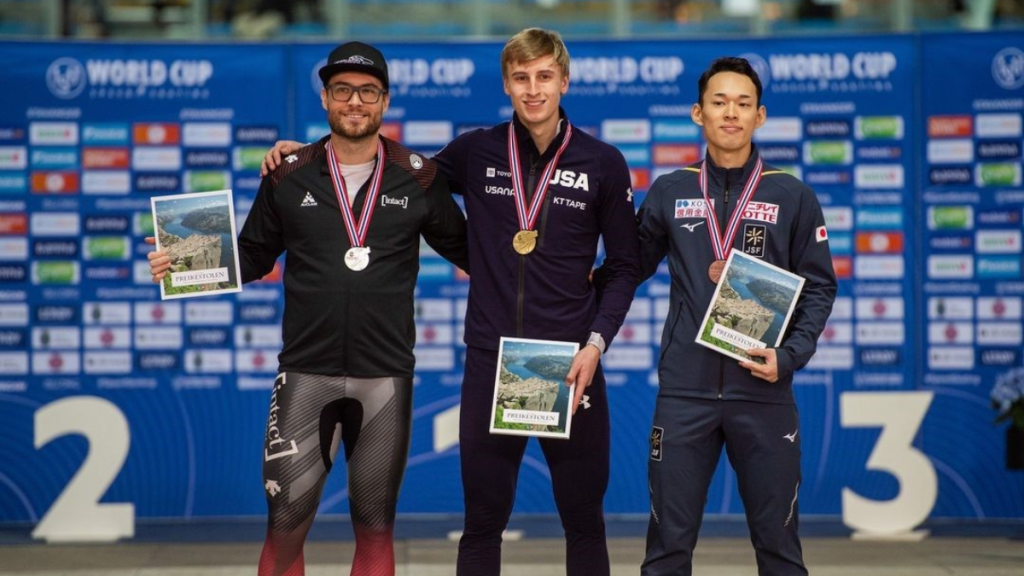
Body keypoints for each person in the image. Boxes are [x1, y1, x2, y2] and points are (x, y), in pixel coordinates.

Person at [261, 27, 640, 576]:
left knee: (583, 520)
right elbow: (391, 170)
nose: (533, 89)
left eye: (543, 77)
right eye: (520, 78)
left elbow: (625, 266)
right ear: (507, 85)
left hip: (571, 364)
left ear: (564, 81)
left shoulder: (603, 163)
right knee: (483, 522)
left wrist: (595, 341)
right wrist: (310, 154)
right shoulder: (477, 151)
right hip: (491, 359)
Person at [148, 41, 468, 576]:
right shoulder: (288, 173)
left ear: (385, 101)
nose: (355, 102)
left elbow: (474, 255)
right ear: (325, 98)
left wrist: (560, 280)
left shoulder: (419, 177)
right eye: (343, 90)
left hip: (385, 377)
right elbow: (252, 255)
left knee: (375, 530)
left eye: (367, 92)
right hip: (305, 374)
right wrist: (181, 260)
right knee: (285, 529)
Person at [635, 56, 837, 576]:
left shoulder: (792, 194)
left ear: (760, 116)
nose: (731, 113)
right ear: (697, 113)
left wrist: (788, 357)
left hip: (763, 392)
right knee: (666, 553)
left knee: (780, 552)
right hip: (684, 394)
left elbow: (819, 288)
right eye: (719, 102)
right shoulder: (670, 190)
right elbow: (624, 270)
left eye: (743, 104)